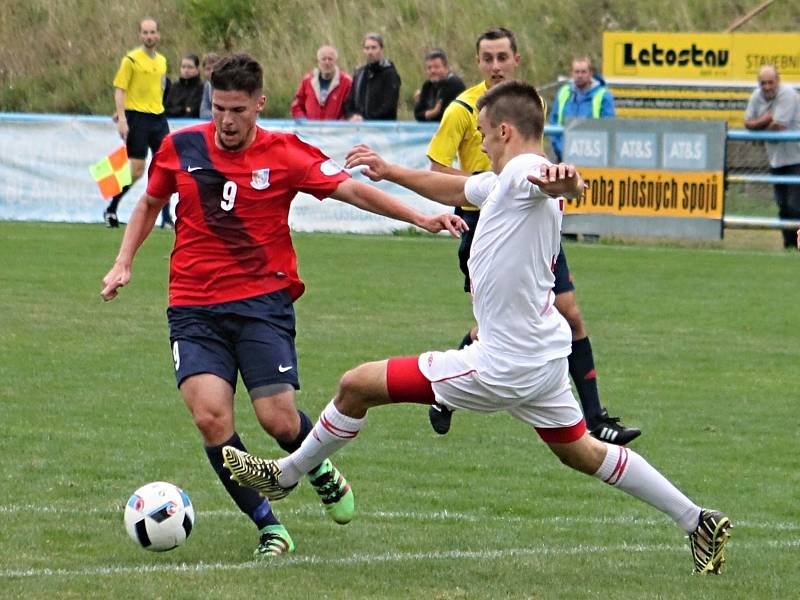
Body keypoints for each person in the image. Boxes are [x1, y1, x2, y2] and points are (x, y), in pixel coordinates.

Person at [221, 81, 732, 575]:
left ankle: (285, 475)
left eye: (484, 135)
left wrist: (568, 181)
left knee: (356, 385)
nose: (481, 145)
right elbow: (456, 186)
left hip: (502, 364)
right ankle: (698, 520)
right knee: (584, 453)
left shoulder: (526, 171)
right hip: (540, 355)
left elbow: (559, 179)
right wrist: (389, 170)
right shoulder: (504, 180)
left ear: (505, 131)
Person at [100, 53, 465, 557]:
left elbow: (351, 190)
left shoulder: (286, 152)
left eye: (239, 110)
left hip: (261, 304)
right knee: (211, 419)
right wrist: (124, 262)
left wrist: (422, 218)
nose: (227, 121)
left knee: (278, 420)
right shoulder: (179, 147)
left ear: (260, 104)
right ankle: (268, 525)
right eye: (220, 108)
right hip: (192, 306)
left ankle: (316, 464)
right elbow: (148, 203)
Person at [426, 27, 639, 444]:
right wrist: (493, 185)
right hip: (488, 228)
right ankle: (446, 388)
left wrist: (557, 183)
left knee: (570, 312)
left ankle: (596, 418)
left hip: (535, 221)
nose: (495, 65)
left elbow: (543, 168)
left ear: (516, 60)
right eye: (487, 58)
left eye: (502, 57)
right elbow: (437, 172)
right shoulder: (461, 109)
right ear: (478, 63)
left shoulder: (529, 104)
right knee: (489, 330)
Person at [106, 17, 174, 230]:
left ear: (158, 35)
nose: (149, 36)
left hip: (158, 118)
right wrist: (122, 116)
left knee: (167, 167)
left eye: (152, 32)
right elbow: (120, 89)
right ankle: (112, 207)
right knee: (136, 170)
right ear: (139, 35)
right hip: (137, 119)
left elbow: (157, 89)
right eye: (145, 32)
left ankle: (166, 218)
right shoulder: (131, 60)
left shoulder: (162, 61)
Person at [744, 65, 800, 250]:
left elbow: (778, 127)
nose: (767, 87)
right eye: (763, 83)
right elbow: (747, 123)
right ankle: (789, 245)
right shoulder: (756, 96)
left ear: (778, 80)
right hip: (776, 159)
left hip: (796, 158)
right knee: (782, 205)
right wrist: (766, 119)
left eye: (770, 82)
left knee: (794, 205)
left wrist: (759, 124)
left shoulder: (788, 94)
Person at [549, 56, 615, 162]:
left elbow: (609, 127)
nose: (580, 75)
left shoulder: (604, 96)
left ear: (590, 73)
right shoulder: (563, 93)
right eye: (577, 72)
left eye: (583, 72)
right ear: (572, 73)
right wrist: (562, 150)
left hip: (593, 157)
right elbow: (554, 122)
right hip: (563, 156)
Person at [344, 33, 401, 121]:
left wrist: (367, 119)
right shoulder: (359, 73)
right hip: (360, 128)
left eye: (374, 48)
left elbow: (389, 106)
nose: (370, 52)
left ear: (381, 49)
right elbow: (350, 102)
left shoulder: (390, 73)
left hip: (383, 128)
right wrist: (352, 116)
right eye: (367, 48)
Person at [290, 45, 352, 120]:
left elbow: (350, 109)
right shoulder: (307, 80)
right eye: (323, 59)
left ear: (336, 61)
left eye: (330, 59)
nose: (327, 62)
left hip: (336, 130)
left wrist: (338, 125)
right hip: (310, 129)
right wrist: (302, 120)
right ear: (318, 61)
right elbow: (297, 105)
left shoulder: (346, 82)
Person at [413, 49, 466, 122]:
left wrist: (428, 113)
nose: (432, 71)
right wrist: (432, 113)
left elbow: (440, 116)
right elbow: (417, 114)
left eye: (436, 67)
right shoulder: (428, 85)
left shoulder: (454, 83)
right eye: (429, 68)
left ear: (446, 68)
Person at [164, 53, 204, 118]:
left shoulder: (202, 88)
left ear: (197, 69)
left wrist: (177, 110)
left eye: (190, 67)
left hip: (193, 124)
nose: (186, 70)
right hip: (172, 124)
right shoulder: (174, 87)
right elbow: (166, 109)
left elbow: (194, 110)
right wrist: (183, 109)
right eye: (183, 67)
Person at [199, 52, 221, 120]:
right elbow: (203, 113)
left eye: (215, 68)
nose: (212, 72)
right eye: (208, 69)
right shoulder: (208, 86)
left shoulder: (229, 86)